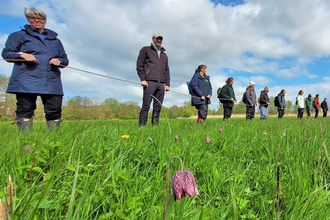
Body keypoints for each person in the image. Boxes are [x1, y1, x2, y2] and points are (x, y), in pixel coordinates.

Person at [1, 7, 69, 131]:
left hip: (51, 79)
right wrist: (21, 55)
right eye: (33, 18)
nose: (37, 20)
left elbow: (65, 60)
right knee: (25, 109)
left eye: (40, 18)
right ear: (28, 19)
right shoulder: (17, 36)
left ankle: (54, 140)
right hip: (26, 79)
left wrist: (59, 61)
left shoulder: (55, 40)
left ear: (45, 20)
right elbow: (6, 54)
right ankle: (26, 142)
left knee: (54, 110)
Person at [136, 33, 170, 126]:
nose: (159, 40)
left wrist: (167, 84)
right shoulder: (146, 50)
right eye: (157, 39)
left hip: (161, 83)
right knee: (146, 105)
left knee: (158, 107)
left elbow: (166, 70)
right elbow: (140, 65)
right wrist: (142, 79)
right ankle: (142, 126)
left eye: (160, 39)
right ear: (153, 39)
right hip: (149, 82)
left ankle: (155, 126)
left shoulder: (164, 55)